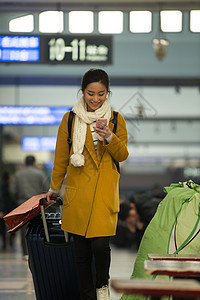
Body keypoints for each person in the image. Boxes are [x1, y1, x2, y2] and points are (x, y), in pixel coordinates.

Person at [46, 68, 129, 300]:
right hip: (78, 190)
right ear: (82, 91)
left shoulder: (115, 119)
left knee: (100, 246)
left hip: (104, 191)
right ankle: (86, 295)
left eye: (101, 94)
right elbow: (61, 156)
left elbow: (122, 154)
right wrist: (54, 187)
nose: (95, 99)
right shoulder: (69, 118)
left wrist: (109, 137)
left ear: (107, 93)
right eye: (90, 93)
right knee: (81, 252)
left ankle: (102, 286)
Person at [10, 155, 49, 258]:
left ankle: (25, 253)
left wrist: (17, 200)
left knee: (23, 229)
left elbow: (12, 190)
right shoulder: (40, 174)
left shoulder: (18, 175)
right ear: (34, 163)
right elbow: (46, 189)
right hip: (36, 204)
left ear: (25, 162)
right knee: (38, 226)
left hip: (22, 203)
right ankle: (37, 250)